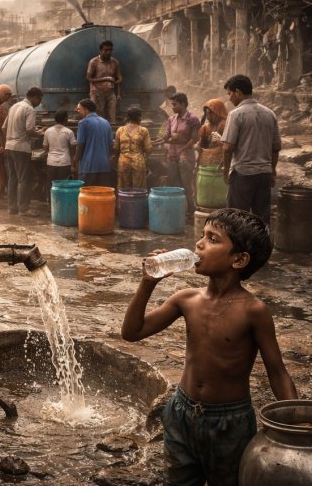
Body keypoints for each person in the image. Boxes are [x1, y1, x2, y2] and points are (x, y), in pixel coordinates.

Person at [121, 208, 297, 485]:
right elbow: (132, 332)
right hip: (181, 411)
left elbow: (277, 371)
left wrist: (294, 423)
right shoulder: (186, 299)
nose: (199, 244)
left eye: (212, 239)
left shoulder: (253, 311)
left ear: (239, 260)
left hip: (230, 422)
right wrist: (147, 284)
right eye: (202, 236)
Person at [221, 75, 280, 225]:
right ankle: (262, 247)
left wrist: (226, 171)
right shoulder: (270, 113)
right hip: (264, 175)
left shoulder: (236, 114)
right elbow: (276, 148)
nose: (229, 98)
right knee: (261, 219)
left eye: (229, 93)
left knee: (236, 218)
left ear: (238, 92)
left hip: (242, 174)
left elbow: (228, 148)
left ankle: (240, 248)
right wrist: (272, 170)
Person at [156, 92, 200, 214]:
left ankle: (191, 210)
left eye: (175, 104)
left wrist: (184, 147)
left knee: (186, 185)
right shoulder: (171, 119)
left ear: (183, 104)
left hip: (186, 156)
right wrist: (158, 140)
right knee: (172, 182)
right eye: (172, 104)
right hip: (172, 155)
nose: (172, 107)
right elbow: (166, 135)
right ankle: (176, 210)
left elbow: (195, 138)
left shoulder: (192, 119)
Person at [4, 86, 43, 214]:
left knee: (12, 178)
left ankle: (11, 207)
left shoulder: (13, 107)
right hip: (21, 148)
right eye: (39, 100)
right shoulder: (29, 109)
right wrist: (41, 134)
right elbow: (29, 130)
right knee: (23, 179)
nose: (39, 103)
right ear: (35, 97)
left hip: (9, 146)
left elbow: (4, 128)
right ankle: (23, 209)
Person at [72, 99, 113, 187]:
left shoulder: (83, 123)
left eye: (79, 109)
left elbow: (80, 145)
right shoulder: (106, 122)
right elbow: (110, 145)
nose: (77, 111)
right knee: (103, 194)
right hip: (104, 166)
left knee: (87, 195)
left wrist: (75, 161)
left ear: (86, 110)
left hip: (89, 166)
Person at [114, 107, 152, 189]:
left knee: (123, 189)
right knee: (138, 189)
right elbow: (148, 149)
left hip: (123, 163)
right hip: (138, 163)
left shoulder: (120, 130)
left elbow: (116, 148)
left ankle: (124, 201)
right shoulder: (143, 130)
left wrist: (117, 161)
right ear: (139, 117)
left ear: (128, 117)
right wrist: (144, 157)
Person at [86, 40, 122, 123]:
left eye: (110, 50)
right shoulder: (94, 62)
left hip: (110, 92)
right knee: (98, 115)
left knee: (112, 115)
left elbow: (120, 78)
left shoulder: (115, 62)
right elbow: (88, 78)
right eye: (106, 50)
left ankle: (111, 133)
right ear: (101, 50)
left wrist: (116, 85)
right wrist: (105, 79)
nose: (108, 52)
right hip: (96, 92)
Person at [42, 110, 76, 197]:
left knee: (51, 185)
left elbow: (45, 147)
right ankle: (62, 205)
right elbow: (73, 147)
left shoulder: (48, 131)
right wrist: (73, 162)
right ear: (66, 119)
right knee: (63, 185)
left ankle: (51, 204)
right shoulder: (69, 132)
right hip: (64, 162)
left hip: (51, 162)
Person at [196, 98, 228, 167]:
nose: (208, 117)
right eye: (207, 114)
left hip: (219, 163)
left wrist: (220, 140)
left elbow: (228, 146)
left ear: (217, 113)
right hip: (206, 163)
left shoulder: (224, 125)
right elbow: (201, 145)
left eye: (210, 114)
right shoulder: (206, 127)